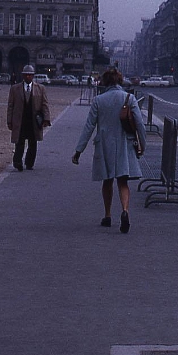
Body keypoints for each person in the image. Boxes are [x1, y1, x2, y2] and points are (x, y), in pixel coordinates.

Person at [72, 67, 147, 234]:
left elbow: (89, 126)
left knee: (107, 181)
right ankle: (125, 210)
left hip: (104, 144)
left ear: (105, 82)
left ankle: (107, 215)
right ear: (120, 81)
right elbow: (140, 124)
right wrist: (142, 145)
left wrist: (79, 150)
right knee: (123, 181)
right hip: (124, 144)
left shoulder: (99, 100)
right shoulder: (129, 98)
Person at [6, 65, 51, 171]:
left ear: (33, 76)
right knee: (19, 142)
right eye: (26, 75)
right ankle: (17, 162)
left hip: (33, 121)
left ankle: (29, 163)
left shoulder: (40, 88)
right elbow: (10, 106)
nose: (28, 77)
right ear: (22, 75)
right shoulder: (15, 89)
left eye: (30, 75)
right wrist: (9, 121)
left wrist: (46, 119)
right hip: (20, 120)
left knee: (33, 142)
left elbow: (44, 104)